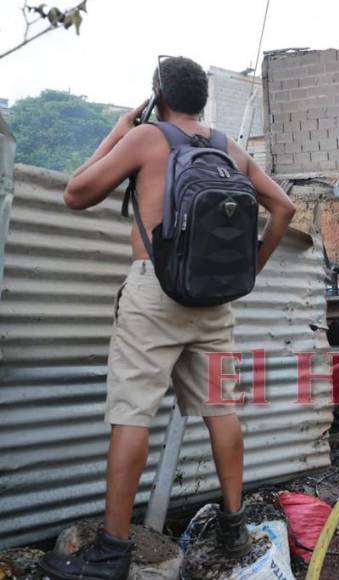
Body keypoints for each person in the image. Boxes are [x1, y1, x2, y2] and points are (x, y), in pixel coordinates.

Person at [38, 57, 297, 580]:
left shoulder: (146, 139)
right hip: (215, 301)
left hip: (153, 293)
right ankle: (234, 528)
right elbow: (284, 210)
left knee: (132, 414)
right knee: (222, 411)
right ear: (201, 100)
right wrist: (247, 272)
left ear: (159, 96)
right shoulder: (227, 148)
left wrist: (116, 133)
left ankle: (111, 553)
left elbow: (75, 194)